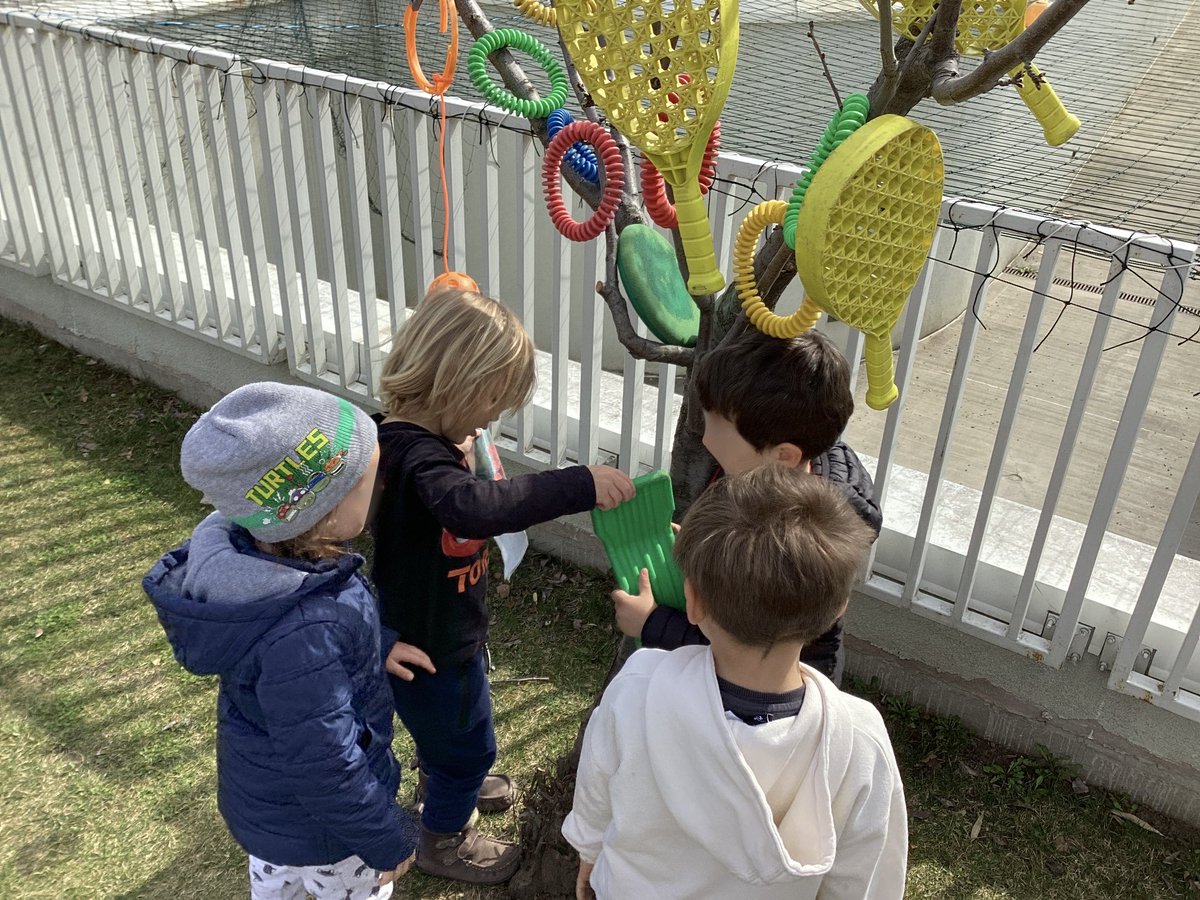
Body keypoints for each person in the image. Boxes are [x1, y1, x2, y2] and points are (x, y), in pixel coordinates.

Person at [372, 284, 635, 885]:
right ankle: (444, 836)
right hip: (432, 645)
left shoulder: (414, 438)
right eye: (491, 400)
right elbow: (475, 509)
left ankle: (445, 779)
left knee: (450, 735)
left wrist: (461, 439)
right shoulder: (420, 461)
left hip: (434, 628)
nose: (493, 417)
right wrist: (579, 484)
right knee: (469, 745)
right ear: (455, 382)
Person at [564, 466, 907, 899]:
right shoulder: (858, 739)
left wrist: (589, 849)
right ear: (839, 607)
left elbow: (598, 783)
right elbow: (865, 875)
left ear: (692, 602)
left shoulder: (640, 684)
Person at [143, 382, 421, 900]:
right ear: (325, 510)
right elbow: (327, 764)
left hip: (268, 816)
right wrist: (389, 837)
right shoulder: (305, 629)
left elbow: (311, 666)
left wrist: (374, 643)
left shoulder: (261, 563)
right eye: (368, 481)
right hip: (328, 838)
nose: (380, 485)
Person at [612, 328, 881, 684]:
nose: (705, 435)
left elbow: (749, 648)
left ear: (782, 455)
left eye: (718, 424)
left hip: (765, 703)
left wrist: (653, 624)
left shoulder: (793, 540)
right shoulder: (780, 469)